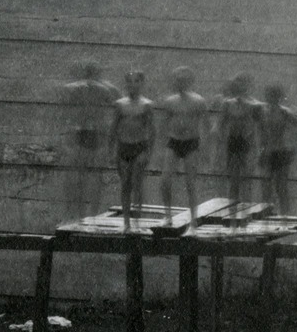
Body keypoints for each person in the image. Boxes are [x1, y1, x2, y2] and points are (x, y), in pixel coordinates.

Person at [60, 60, 118, 223]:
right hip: (94, 132)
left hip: (85, 131)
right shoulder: (106, 89)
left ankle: (82, 214)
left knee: (82, 177)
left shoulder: (76, 88)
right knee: (92, 178)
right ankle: (90, 214)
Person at [157, 67, 212, 226]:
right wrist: (161, 151)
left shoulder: (198, 101)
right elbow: (163, 126)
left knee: (190, 182)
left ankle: (194, 217)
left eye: (183, 80)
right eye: (177, 80)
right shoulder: (170, 102)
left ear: (189, 82)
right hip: (174, 142)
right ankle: (167, 215)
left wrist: (205, 148)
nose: (180, 83)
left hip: (191, 142)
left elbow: (206, 125)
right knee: (165, 180)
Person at [110, 70, 158, 226]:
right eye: (129, 82)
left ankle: (137, 220)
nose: (132, 85)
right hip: (124, 147)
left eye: (136, 81)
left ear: (141, 84)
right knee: (125, 183)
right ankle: (126, 222)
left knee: (137, 183)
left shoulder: (147, 105)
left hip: (139, 146)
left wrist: (149, 152)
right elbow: (113, 128)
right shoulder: (120, 104)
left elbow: (152, 130)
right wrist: (111, 151)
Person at [217, 73, 265, 210]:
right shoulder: (228, 104)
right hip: (232, 142)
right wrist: (219, 148)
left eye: (242, 83)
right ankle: (231, 211)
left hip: (247, 143)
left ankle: (246, 212)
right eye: (237, 83)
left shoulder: (255, 105)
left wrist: (261, 149)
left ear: (248, 86)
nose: (238, 86)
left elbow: (261, 128)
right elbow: (220, 125)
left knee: (246, 179)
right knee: (233, 180)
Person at [261, 83, 297, 219]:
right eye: (269, 95)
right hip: (268, 152)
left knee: (281, 187)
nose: (271, 98)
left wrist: (294, 146)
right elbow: (260, 131)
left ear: (278, 97)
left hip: (281, 152)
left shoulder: (284, 112)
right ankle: (266, 216)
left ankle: (285, 216)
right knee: (266, 187)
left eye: (274, 96)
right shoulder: (263, 111)